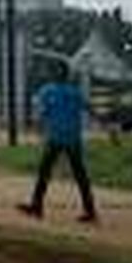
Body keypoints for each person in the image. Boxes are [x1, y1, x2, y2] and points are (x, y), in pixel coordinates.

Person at [17, 62, 98, 223]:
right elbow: (90, 108)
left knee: (45, 173)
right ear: (68, 75)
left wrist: (36, 125)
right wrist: (107, 123)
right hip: (71, 138)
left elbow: (42, 113)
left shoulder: (48, 91)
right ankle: (89, 210)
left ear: (54, 74)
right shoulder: (74, 92)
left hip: (56, 138)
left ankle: (37, 206)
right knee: (79, 175)